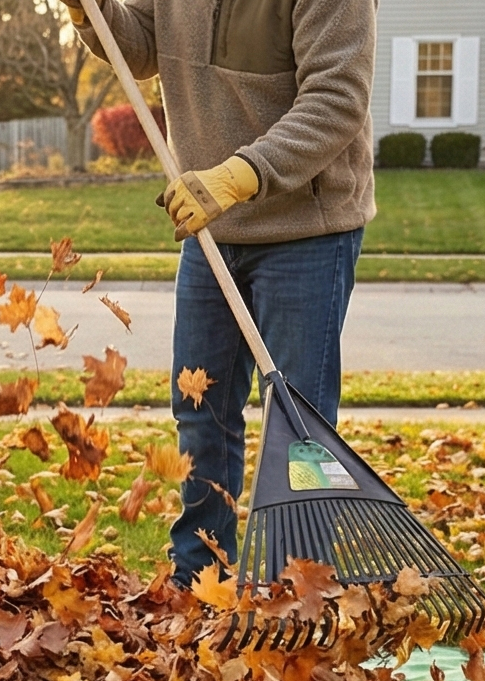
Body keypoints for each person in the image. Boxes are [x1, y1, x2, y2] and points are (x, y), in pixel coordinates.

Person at [64, 0, 377, 584]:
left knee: (299, 422)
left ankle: (298, 583)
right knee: (200, 409)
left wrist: (236, 176)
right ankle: (199, 575)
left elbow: (336, 100)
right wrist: (90, 11)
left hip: (305, 229)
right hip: (210, 228)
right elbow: (141, 46)